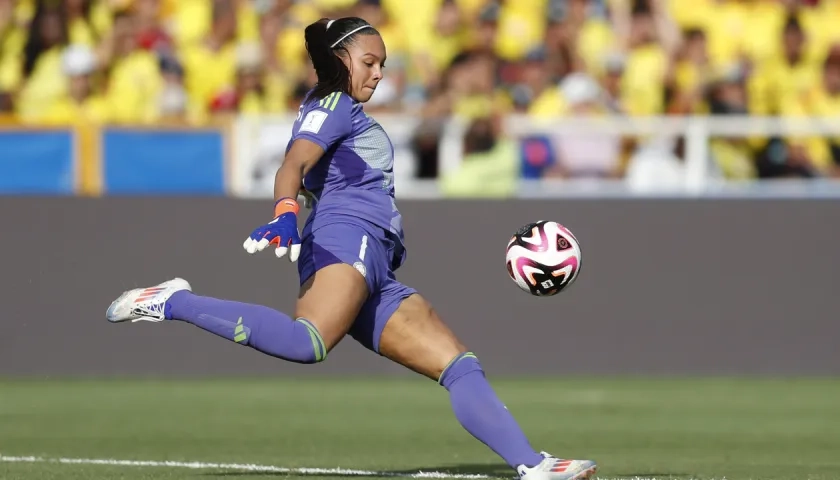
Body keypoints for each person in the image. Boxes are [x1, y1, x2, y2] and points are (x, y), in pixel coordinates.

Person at [105, 16, 598, 480]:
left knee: (458, 365)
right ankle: (172, 300)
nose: (379, 73)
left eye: (383, 63)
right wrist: (284, 212)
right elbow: (293, 164)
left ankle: (533, 465)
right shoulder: (332, 105)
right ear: (341, 60)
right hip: (346, 234)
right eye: (369, 61)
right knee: (308, 342)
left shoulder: (345, 109)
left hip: (376, 260)